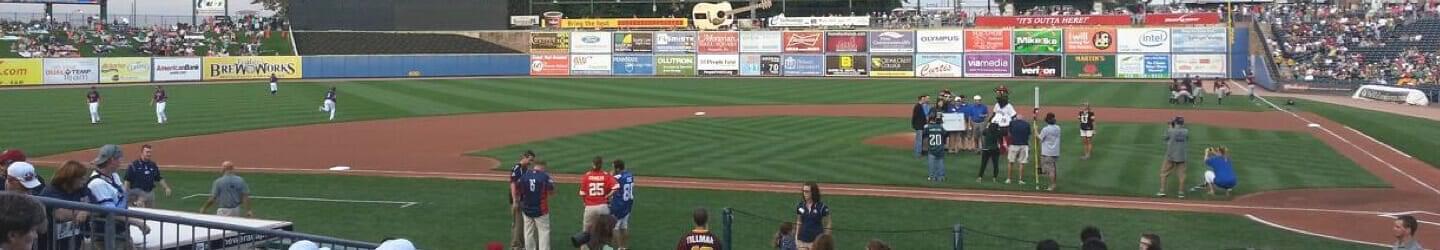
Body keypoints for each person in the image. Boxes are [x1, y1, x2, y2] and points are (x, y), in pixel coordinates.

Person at [87, 144, 151, 249]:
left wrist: (138, 198)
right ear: (112, 160)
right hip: (107, 237)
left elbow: (122, 197)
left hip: (121, 232)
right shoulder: (97, 184)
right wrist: (137, 222)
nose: (121, 161)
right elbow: (111, 212)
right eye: (120, 158)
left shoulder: (114, 176)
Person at [38, 160, 93, 250]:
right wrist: (82, 211)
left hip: (73, 243)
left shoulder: (82, 189)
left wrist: (85, 211)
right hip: (51, 244)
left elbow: (95, 206)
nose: (84, 180)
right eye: (81, 178)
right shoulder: (50, 191)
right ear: (70, 179)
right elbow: (60, 214)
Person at [521, 160, 556, 250]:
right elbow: (551, 191)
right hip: (541, 210)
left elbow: (520, 190)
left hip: (527, 209)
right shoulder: (545, 176)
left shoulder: (525, 175)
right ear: (542, 167)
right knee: (544, 232)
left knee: (528, 232)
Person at [580, 157, 617, 232]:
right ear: (601, 165)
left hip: (590, 207)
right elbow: (616, 187)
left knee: (586, 231)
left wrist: (584, 202)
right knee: (605, 232)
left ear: (593, 164)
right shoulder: (606, 175)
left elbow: (582, 193)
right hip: (603, 206)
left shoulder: (587, 176)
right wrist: (608, 195)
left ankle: (586, 240)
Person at [1158, 117, 1189, 198]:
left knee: (1164, 173)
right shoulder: (1186, 131)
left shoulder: (1170, 130)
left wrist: (1170, 127)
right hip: (1182, 156)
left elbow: (1165, 138)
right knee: (1182, 175)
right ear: (1182, 123)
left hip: (1170, 156)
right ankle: (1181, 192)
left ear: (1175, 123)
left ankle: (1162, 191)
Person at [511, 150, 536, 250]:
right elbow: (513, 184)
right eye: (530, 160)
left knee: (524, 224)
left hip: (524, 200)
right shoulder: (517, 168)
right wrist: (515, 200)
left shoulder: (526, 169)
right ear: (524, 157)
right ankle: (516, 246)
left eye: (532, 160)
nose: (531, 162)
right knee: (518, 224)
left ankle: (523, 245)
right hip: (518, 200)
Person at [794, 182, 830, 250]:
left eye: (807, 191)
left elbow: (827, 224)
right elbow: (799, 222)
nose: (804, 193)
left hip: (816, 242)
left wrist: (825, 240)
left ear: (813, 192)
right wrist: (796, 237)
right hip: (802, 240)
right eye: (803, 191)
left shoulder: (822, 207)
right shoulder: (800, 206)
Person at [608, 159, 635, 250]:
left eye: (613, 167)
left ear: (618, 168)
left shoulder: (617, 177)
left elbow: (608, 181)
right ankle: (624, 247)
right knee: (624, 226)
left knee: (615, 227)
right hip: (628, 204)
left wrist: (611, 175)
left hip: (619, 205)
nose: (612, 169)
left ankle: (620, 247)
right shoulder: (630, 175)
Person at [1038, 113, 1061, 191]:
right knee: (1053, 168)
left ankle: (1052, 185)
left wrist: (1036, 132)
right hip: (1055, 151)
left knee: (1050, 169)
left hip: (1047, 152)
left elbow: (1040, 138)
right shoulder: (1058, 128)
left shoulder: (1045, 129)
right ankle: (1053, 183)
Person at [1006, 114, 1031, 185]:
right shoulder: (1027, 124)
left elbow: (1009, 133)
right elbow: (1028, 134)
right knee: (1022, 163)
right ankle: (1020, 180)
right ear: (1022, 118)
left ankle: (1009, 179)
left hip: (1013, 145)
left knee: (1010, 162)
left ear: (1016, 118)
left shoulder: (1012, 123)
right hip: (1024, 145)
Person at [923, 115, 948, 182]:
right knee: (940, 164)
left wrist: (926, 126)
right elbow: (946, 134)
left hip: (932, 149)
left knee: (931, 164)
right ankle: (941, 177)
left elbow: (924, 134)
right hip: (940, 149)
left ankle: (932, 177)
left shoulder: (928, 128)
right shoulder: (940, 127)